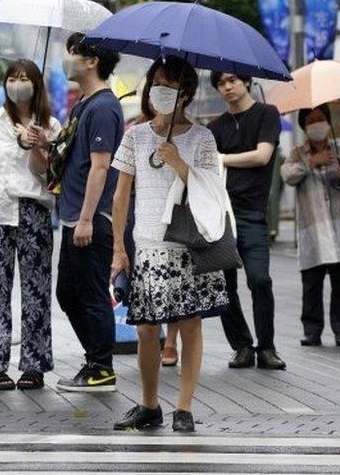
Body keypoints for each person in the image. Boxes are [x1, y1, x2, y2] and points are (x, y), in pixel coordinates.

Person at [110, 56, 228, 432]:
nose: (159, 90)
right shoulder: (135, 135)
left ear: (186, 94)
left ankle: (184, 407)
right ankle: (148, 404)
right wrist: (118, 247)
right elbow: (120, 195)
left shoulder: (202, 137)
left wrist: (179, 162)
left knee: (190, 324)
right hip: (147, 243)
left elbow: (211, 190)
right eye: (156, 82)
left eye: (169, 85)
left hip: (188, 244)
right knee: (146, 328)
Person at [0, 59, 60, 391]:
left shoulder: (52, 126)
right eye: (12, 78)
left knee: (36, 290)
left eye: (24, 78)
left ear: (36, 85)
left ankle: (34, 365)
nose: (18, 83)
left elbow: (48, 175)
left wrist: (38, 145)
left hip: (34, 211)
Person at [54, 33, 123, 392]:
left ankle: (102, 368)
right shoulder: (84, 104)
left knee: (91, 293)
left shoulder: (103, 107)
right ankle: (95, 360)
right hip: (73, 215)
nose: (67, 60)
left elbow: (101, 167)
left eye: (73, 53)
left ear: (92, 60)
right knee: (68, 292)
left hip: (90, 219)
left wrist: (85, 218)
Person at [208, 71, 285, 370]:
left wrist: (222, 158)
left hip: (252, 213)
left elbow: (262, 156)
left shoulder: (267, 114)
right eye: (221, 83)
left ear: (246, 82)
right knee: (224, 284)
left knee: (260, 279)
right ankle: (241, 346)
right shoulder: (215, 128)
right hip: (222, 213)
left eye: (232, 81)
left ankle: (267, 347)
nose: (227, 87)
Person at [281, 105, 340, 347]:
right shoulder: (297, 153)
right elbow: (287, 175)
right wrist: (311, 162)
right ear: (304, 126)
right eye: (311, 120)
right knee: (311, 286)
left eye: (321, 119)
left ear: (328, 122)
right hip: (312, 230)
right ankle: (312, 330)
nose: (317, 124)